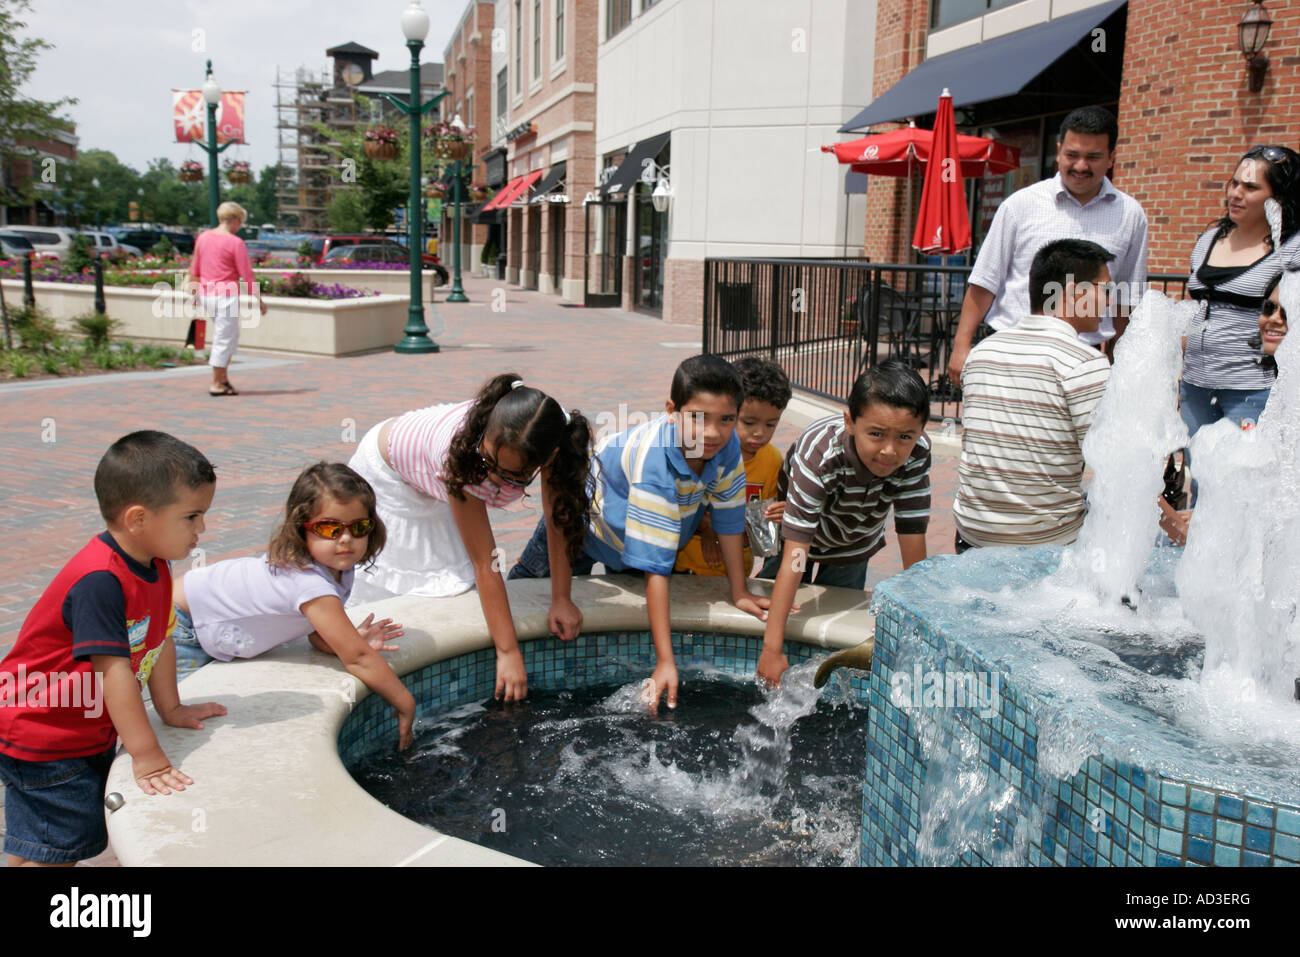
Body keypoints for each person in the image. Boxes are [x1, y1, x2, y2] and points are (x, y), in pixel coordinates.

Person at [0, 432, 226, 867]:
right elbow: (113, 672)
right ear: (138, 518)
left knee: (48, 841)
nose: (201, 529)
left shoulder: (156, 564)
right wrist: (147, 756)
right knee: (57, 843)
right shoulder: (100, 581)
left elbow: (156, 641)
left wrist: (171, 709)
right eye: (192, 516)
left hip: (78, 727)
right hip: (44, 730)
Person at [508, 354, 772, 710]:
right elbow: (656, 568)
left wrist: (739, 590)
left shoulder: (725, 449)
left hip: (629, 537)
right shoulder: (656, 462)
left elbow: (727, 518)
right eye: (699, 418)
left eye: (727, 419)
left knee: (625, 621)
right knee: (529, 595)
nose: (712, 432)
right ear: (671, 410)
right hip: (585, 526)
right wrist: (666, 662)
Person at [348, 375, 591, 703]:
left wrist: (561, 598)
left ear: (548, 458)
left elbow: (557, 519)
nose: (490, 476)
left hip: (438, 474)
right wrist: (508, 652)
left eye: (508, 474)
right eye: (489, 460)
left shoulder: (550, 430)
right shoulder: (462, 454)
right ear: (486, 431)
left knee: (452, 585)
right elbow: (485, 563)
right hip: (387, 477)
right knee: (396, 581)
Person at [170, 462, 416, 749]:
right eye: (329, 528)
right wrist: (405, 703)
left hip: (202, 617)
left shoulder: (336, 567)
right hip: (181, 624)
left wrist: (345, 640)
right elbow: (358, 658)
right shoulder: (309, 582)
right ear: (302, 529)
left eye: (358, 527)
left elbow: (316, 635)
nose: (346, 539)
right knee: (181, 725)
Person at [757, 359, 931, 686]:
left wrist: (921, 630)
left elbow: (912, 538)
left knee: (835, 635)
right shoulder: (820, 454)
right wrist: (771, 648)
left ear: (921, 431)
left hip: (854, 543)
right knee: (773, 605)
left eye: (905, 436)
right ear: (850, 422)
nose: (890, 451)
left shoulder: (917, 455)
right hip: (796, 541)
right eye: (876, 434)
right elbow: (795, 555)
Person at [946, 106, 1148, 384]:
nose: (1080, 166)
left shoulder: (1131, 215)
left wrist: (1117, 359)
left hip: (1084, 360)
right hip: (1012, 351)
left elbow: (1126, 299)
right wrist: (961, 347)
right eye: (1072, 155)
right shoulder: (1020, 205)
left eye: (1093, 157)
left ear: (1111, 158)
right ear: (1058, 150)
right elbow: (984, 282)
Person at [953, 239, 1114, 551]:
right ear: (1076, 294)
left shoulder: (982, 352)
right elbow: (1118, 468)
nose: (1109, 302)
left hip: (972, 536)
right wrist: (1174, 524)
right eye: (1105, 290)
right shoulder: (1083, 363)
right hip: (1045, 547)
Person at [1181, 145, 1300, 436]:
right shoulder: (1208, 239)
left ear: (1278, 197)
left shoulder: (1292, 250)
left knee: (1242, 478)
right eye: (1234, 183)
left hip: (1252, 388)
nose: (1235, 193)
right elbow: (1194, 310)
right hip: (1194, 384)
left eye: (1250, 187)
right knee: (1199, 477)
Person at [675, 357, 791, 576]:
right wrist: (706, 526)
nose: (760, 433)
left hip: (736, 571)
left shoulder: (772, 460)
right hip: (686, 567)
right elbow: (677, 503)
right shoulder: (702, 453)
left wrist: (780, 515)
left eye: (771, 424)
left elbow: (764, 528)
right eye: (748, 422)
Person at [185, 201, 266, 397]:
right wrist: (258, 299)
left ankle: (223, 379)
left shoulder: (203, 238)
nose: (240, 226)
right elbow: (246, 274)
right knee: (224, 338)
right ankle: (216, 383)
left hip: (206, 294)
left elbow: (194, 268)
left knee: (230, 336)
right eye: (240, 222)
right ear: (234, 220)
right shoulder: (235, 242)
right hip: (225, 295)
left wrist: (194, 294)